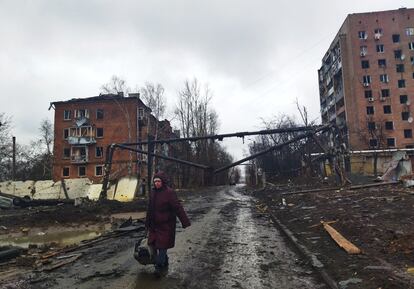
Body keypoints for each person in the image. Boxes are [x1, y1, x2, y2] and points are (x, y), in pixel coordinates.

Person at [145, 171, 191, 275]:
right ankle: (164, 261)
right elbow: (150, 209)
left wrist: (185, 221)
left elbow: (177, 207)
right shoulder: (153, 193)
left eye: (158, 181)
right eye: (155, 181)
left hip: (166, 225)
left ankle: (159, 267)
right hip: (154, 225)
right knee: (154, 245)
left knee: (162, 246)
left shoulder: (169, 193)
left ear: (163, 182)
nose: (156, 183)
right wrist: (147, 224)